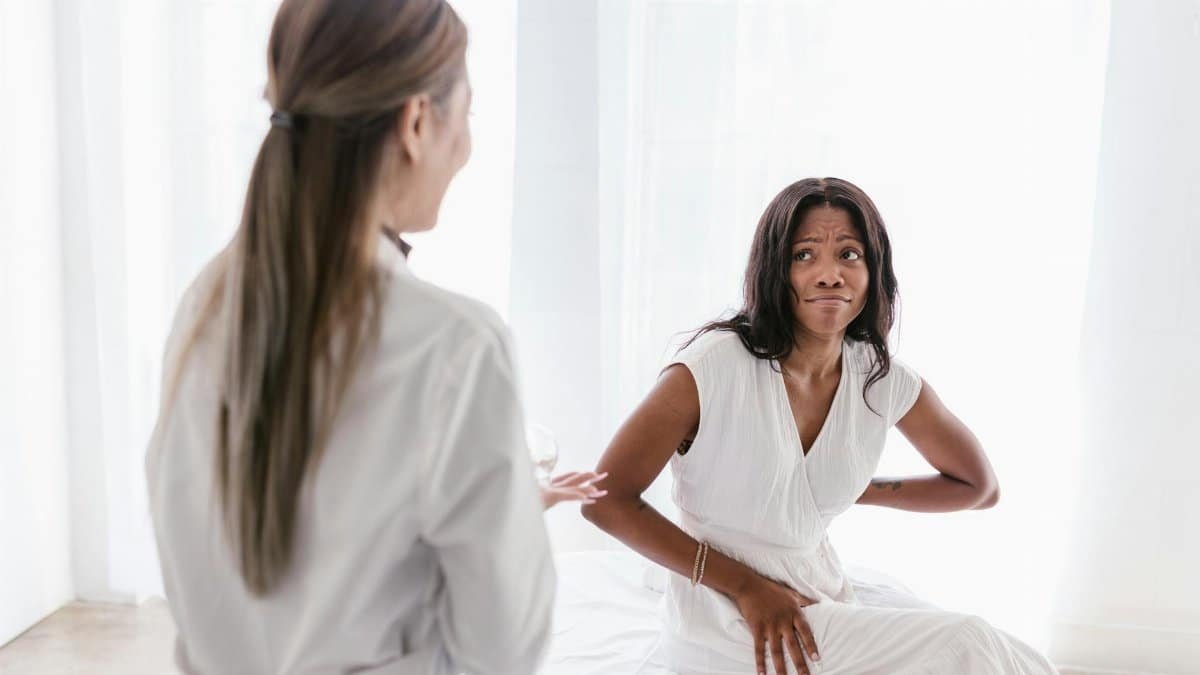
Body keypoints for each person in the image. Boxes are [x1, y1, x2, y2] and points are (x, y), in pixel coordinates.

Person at [145, 1, 600, 673]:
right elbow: (501, 651)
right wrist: (506, 523)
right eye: (466, 115)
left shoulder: (203, 307)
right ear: (417, 122)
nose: (467, 149)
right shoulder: (457, 348)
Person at [582, 178, 1056, 674]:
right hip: (724, 615)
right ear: (774, 271)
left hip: (818, 595)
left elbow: (978, 487)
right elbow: (604, 500)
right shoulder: (711, 368)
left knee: (1017, 656)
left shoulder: (880, 379)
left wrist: (858, 490)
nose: (829, 274)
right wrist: (747, 587)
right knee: (968, 642)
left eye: (849, 254)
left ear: (874, 272)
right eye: (804, 255)